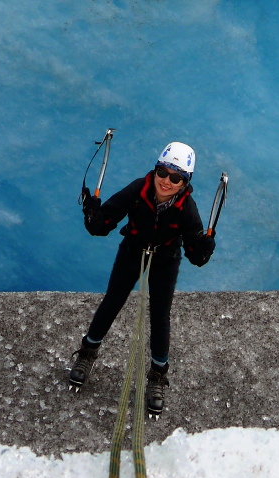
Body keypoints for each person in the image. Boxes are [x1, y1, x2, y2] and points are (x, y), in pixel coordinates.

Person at [67, 141, 215, 415]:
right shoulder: (139, 189)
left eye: (176, 177)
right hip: (132, 250)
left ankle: (157, 376)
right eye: (163, 173)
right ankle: (87, 354)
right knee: (112, 302)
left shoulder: (187, 208)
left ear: (185, 182)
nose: (166, 181)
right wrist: (93, 213)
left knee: (160, 315)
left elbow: (195, 254)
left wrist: (205, 247)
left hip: (165, 260)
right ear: (155, 170)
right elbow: (103, 225)